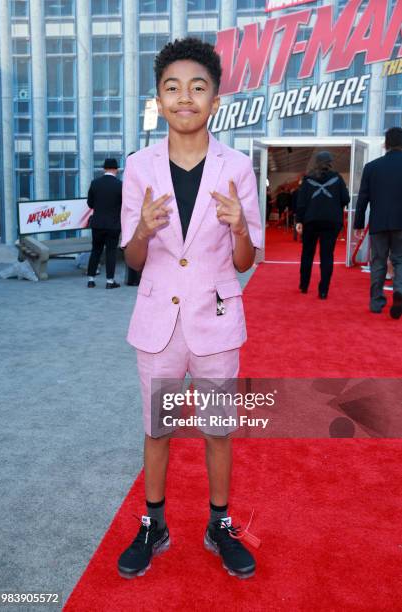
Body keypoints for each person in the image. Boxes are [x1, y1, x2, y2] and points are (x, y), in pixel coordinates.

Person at [118, 37, 262, 579]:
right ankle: (153, 524)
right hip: (158, 323)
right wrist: (142, 230)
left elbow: (245, 260)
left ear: (215, 99)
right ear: (159, 100)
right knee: (157, 428)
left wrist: (242, 227)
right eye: (172, 88)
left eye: (197, 87)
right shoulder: (138, 168)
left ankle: (218, 524)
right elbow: (134, 259)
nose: (185, 97)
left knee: (218, 429)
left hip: (217, 319)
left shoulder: (238, 167)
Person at [354, 127, 402, 318]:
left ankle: (376, 302)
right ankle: (399, 291)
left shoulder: (372, 167)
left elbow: (363, 198)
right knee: (400, 259)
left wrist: (358, 223)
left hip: (379, 222)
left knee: (378, 261)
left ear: (386, 144)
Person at [295, 151, 350, 298]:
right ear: (330, 162)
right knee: (327, 255)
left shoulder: (308, 179)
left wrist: (299, 220)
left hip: (311, 221)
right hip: (332, 222)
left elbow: (301, 203)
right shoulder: (337, 179)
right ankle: (323, 290)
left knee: (307, 253)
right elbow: (346, 199)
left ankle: (304, 285)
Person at [87, 158, 122, 289]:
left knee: (95, 250)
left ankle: (91, 280)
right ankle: (110, 281)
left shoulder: (95, 183)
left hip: (97, 224)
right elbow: (124, 205)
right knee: (111, 252)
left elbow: (90, 203)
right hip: (113, 224)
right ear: (116, 170)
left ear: (104, 169)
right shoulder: (120, 185)